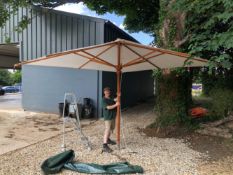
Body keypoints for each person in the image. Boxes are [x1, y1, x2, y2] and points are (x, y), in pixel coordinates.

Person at [102, 87, 120, 153]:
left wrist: (118, 95)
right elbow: (108, 107)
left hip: (113, 117)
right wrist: (116, 105)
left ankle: (108, 140)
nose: (108, 92)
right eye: (106, 91)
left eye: (108, 91)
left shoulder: (111, 97)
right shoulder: (103, 100)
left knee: (112, 129)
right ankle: (104, 145)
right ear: (104, 92)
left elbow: (116, 99)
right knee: (107, 129)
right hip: (108, 117)